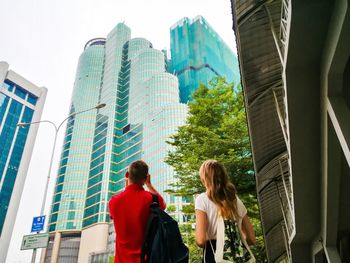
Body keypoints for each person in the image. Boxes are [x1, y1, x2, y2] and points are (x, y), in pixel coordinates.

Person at [195, 160, 256, 262]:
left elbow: (200, 241)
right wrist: (234, 245)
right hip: (238, 256)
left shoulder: (202, 200)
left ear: (205, 178)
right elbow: (251, 239)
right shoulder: (235, 200)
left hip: (214, 255)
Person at [108, 160, 166, 263]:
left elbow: (126, 203)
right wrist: (149, 185)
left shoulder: (114, 202)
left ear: (127, 175)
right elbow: (163, 205)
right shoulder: (151, 199)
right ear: (145, 178)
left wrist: (127, 187)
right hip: (145, 259)